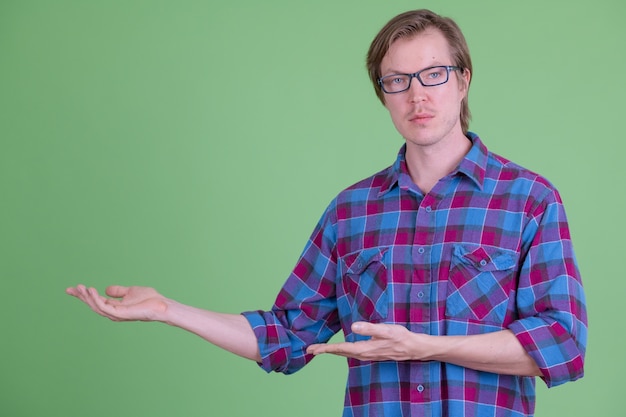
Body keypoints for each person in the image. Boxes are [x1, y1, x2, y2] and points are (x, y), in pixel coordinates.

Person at [66, 9, 587, 417]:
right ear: (382, 95)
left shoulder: (529, 199)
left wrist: (423, 347)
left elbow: (562, 343)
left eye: (434, 74)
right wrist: (168, 310)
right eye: (397, 81)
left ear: (463, 80)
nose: (417, 95)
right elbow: (287, 336)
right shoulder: (350, 212)